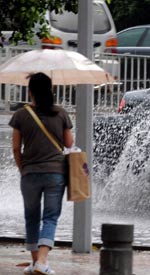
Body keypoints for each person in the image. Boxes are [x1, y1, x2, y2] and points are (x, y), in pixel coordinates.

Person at [9, 72, 74, 275]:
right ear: (50, 90)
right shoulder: (61, 114)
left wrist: (23, 169)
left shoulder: (20, 115)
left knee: (31, 217)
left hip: (29, 173)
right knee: (50, 217)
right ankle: (42, 261)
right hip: (55, 174)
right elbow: (69, 144)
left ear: (30, 91)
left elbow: (15, 148)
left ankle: (36, 261)